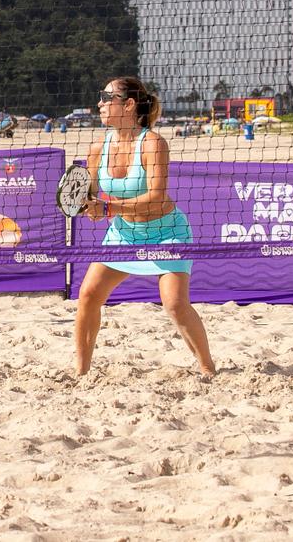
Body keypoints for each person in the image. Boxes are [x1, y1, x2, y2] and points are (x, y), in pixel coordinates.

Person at [74, 76, 215, 377]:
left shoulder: (152, 143)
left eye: (105, 97)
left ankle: (208, 368)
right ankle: (81, 373)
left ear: (128, 105)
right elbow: (90, 194)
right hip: (125, 233)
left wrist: (108, 208)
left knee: (175, 304)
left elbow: (155, 197)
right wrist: (88, 206)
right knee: (88, 296)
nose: (99, 103)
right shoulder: (98, 148)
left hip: (167, 232)